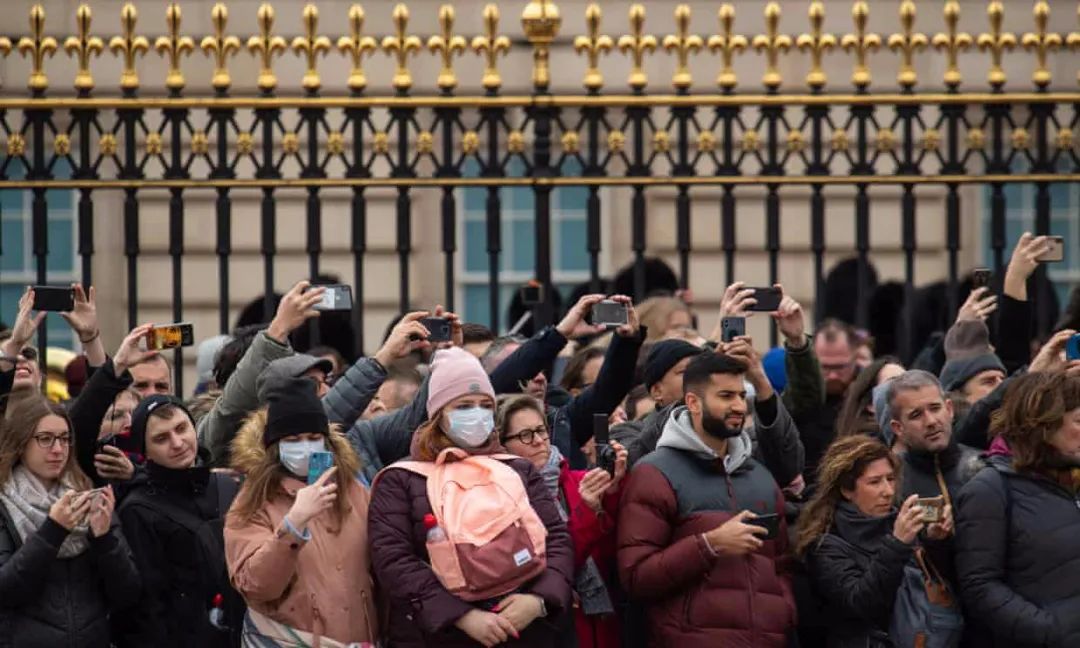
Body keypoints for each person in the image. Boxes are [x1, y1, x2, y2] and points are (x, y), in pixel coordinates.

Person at [368, 347, 574, 647]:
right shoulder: (401, 479)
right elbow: (393, 560)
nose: (476, 414)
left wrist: (539, 600)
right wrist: (461, 616)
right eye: (463, 406)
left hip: (527, 630)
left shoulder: (517, 469)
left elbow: (556, 536)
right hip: (440, 638)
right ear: (437, 415)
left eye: (484, 405)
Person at [617, 352, 796, 647]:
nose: (738, 406)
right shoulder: (654, 473)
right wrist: (709, 545)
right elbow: (636, 577)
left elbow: (782, 565)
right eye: (725, 396)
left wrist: (783, 612)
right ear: (693, 403)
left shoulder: (760, 477)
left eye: (741, 395)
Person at [225, 378, 377, 646]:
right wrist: (294, 524)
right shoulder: (252, 501)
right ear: (275, 447)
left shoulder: (352, 490)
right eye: (293, 440)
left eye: (314, 438)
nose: (306, 446)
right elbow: (256, 586)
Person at [0, 396, 140, 647]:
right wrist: (53, 531)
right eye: (45, 439)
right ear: (21, 443)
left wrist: (104, 539)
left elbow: (127, 593)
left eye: (65, 439)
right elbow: (6, 591)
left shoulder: (86, 494)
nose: (57, 449)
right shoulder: (5, 504)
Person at [956, 371, 1080, 648]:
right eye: (1079, 421)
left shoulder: (1072, 479)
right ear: (1044, 427)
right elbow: (979, 587)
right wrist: (1052, 631)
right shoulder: (990, 489)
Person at [113, 395, 243, 648]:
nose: (177, 443)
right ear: (145, 450)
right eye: (161, 438)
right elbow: (148, 606)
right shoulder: (138, 510)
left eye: (181, 429)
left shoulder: (228, 486)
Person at [498, 394, 627, 648]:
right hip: (553, 626)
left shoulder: (581, 480)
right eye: (525, 435)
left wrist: (613, 491)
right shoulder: (503, 497)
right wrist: (588, 512)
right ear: (502, 445)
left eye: (541, 431)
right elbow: (557, 560)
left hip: (599, 624)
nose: (538, 441)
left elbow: (614, 553)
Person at [797, 435, 937, 648]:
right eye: (874, 482)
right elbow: (861, 604)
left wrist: (938, 541)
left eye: (890, 479)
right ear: (846, 490)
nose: (888, 491)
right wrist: (897, 544)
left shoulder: (899, 522)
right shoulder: (825, 544)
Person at [835, 356, 905, 440]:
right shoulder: (869, 446)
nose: (907, 387)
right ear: (871, 404)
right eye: (895, 383)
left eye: (908, 379)